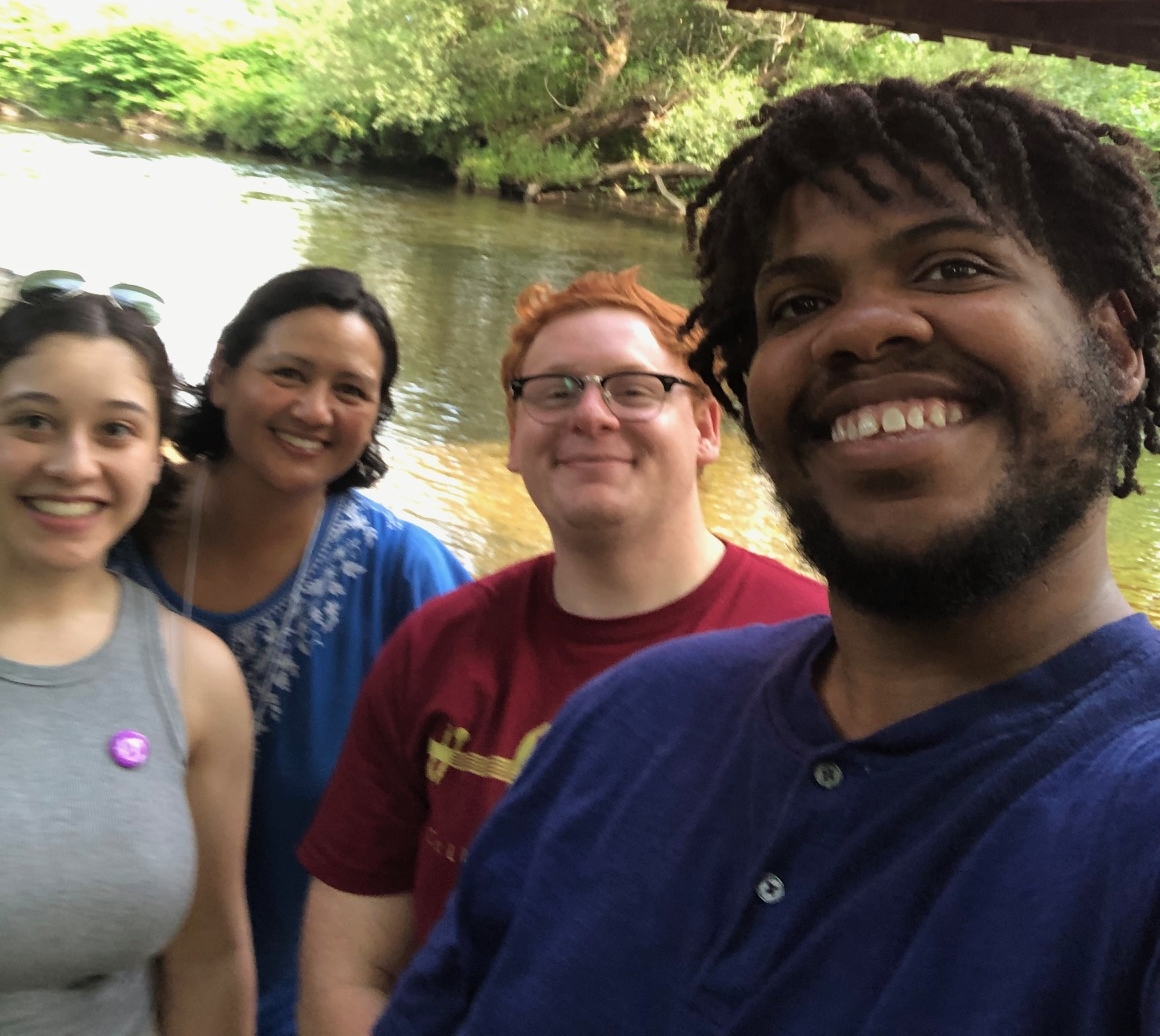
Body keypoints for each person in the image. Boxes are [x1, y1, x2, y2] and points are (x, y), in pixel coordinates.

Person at [375, 76, 1160, 1036]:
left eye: (954, 268)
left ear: (1118, 345)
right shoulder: (626, 718)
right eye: (799, 302)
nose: (863, 327)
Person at [296, 267, 828, 1034]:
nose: (590, 414)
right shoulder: (438, 647)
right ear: (514, 436)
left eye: (634, 388)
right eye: (553, 391)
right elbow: (349, 970)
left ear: (707, 429)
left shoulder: (818, 646)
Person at [113, 267, 469, 1036]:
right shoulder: (107, 523)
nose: (314, 410)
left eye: (351, 390)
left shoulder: (409, 580)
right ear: (220, 375)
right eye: (288, 374)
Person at [0, 280, 255, 1035]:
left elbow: (209, 959)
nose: (74, 464)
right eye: (34, 422)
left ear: (155, 459)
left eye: (115, 431)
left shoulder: (196, 678)